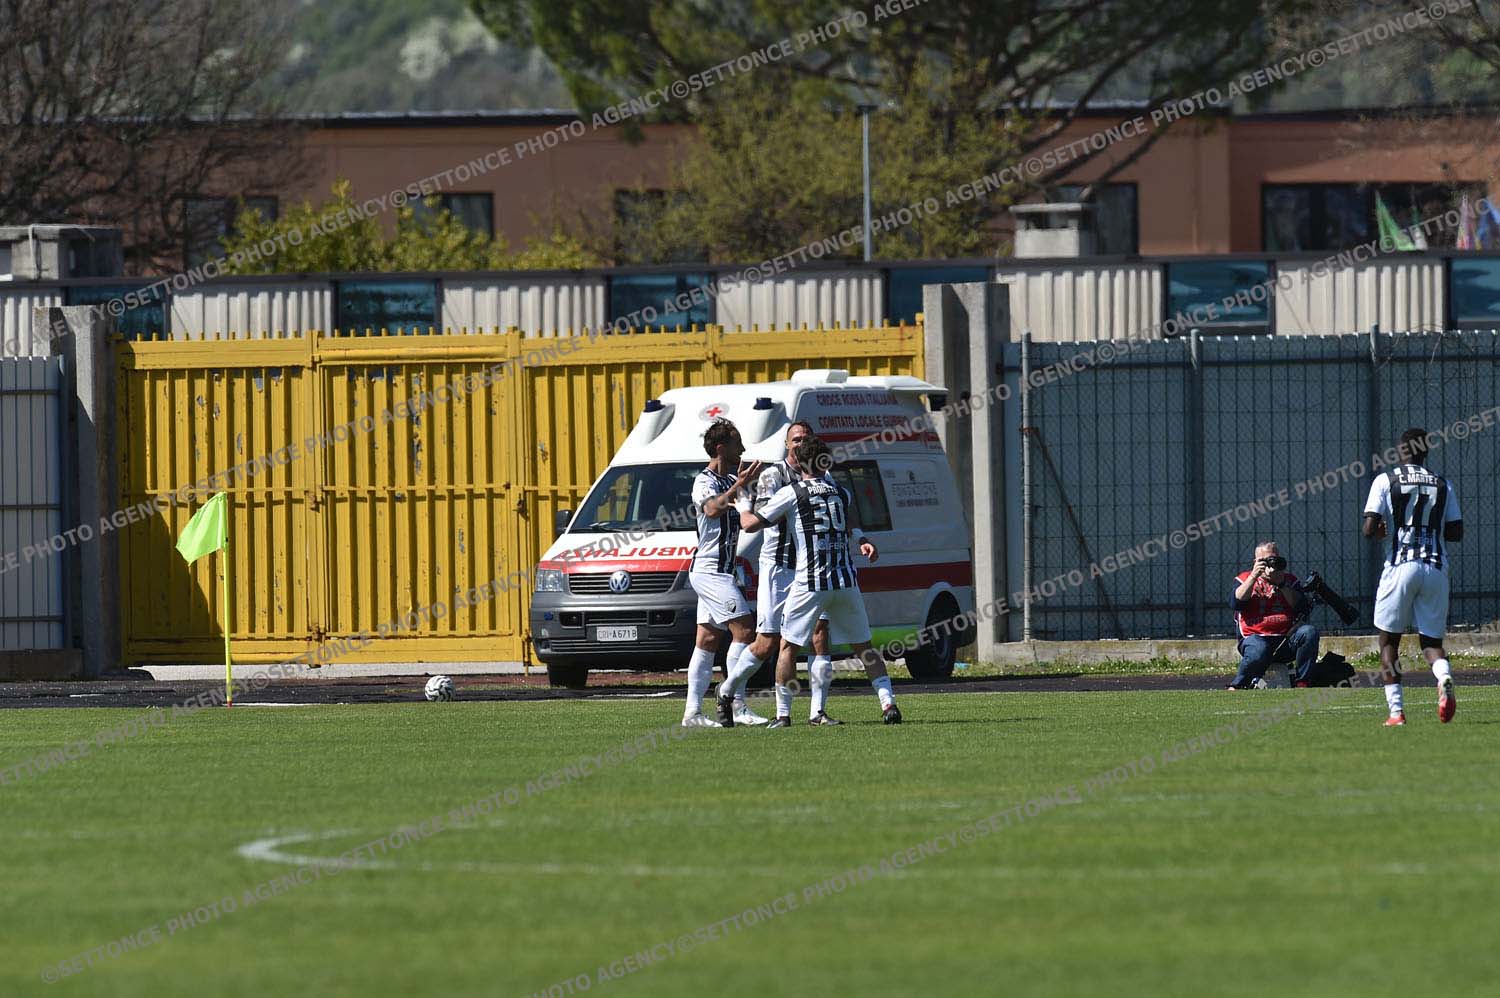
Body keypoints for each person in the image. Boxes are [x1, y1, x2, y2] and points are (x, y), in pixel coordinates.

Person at [733, 435, 900, 726]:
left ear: (798, 463)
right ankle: (888, 704)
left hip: (810, 582)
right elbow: (848, 519)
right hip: (845, 580)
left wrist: (743, 502)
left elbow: (750, 525)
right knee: (864, 647)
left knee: (788, 646)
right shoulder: (840, 492)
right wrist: (861, 539)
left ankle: (783, 714)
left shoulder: (792, 491)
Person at [719, 421, 840, 726]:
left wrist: (861, 537)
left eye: (805, 438)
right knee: (768, 642)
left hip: (811, 569)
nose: (800, 443)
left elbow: (840, 510)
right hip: (778, 566)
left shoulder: (824, 476)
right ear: (787, 444)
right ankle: (727, 689)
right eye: (795, 439)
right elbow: (766, 517)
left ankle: (817, 712)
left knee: (820, 634)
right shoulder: (773, 476)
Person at [1362, 427, 1462, 727]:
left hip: (1400, 566)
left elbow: (1369, 529)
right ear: (1426, 452)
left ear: (1400, 451)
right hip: (1435, 568)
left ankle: (1396, 713)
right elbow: (1456, 532)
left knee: (1389, 641)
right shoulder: (1443, 484)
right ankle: (1443, 676)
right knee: (1431, 641)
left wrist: (1381, 530)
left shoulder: (1386, 480)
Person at [681, 419, 764, 728]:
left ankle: (692, 713)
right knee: (744, 630)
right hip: (710, 570)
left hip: (722, 570)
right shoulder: (703, 481)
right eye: (736, 443)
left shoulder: (730, 479)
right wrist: (739, 485)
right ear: (720, 448)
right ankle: (734, 702)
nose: (741, 448)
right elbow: (712, 510)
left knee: (707, 640)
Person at [1227, 541, 1319, 689]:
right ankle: (1238, 685)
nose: (1270, 565)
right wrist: (1254, 576)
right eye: (1265, 561)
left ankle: (1303, 682)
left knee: (1309, 632)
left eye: (1274, 559)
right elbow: (1236, 603)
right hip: (1255, 638)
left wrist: (1281, 584)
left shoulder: (1289, 580)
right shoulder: (1243, 579)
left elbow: (1301, 607)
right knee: (1259, 649)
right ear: (1255, 562)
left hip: (1286, 640)